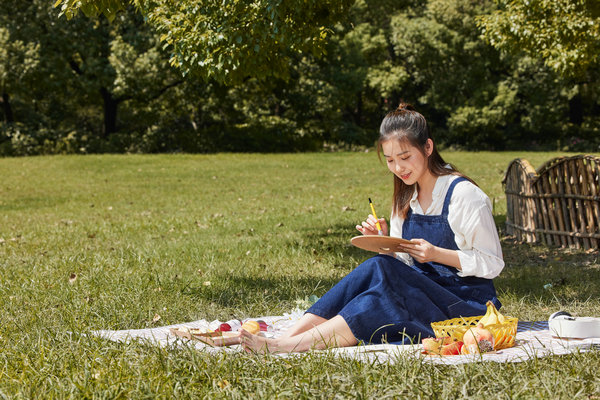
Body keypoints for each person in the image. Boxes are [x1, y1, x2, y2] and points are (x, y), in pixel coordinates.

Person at [241, 103, 504, 353]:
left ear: (427, 148)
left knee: (380, 299)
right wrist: (383, 243)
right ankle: (286, 338)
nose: (398, 168)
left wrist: (436, 254)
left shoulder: (464, 195)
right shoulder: (405, 197)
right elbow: (401, 267)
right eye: (390, 160)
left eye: (405, 157)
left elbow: (492, 263)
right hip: (421, 295)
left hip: (466, 309)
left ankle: (284, 347)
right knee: (378, 273)